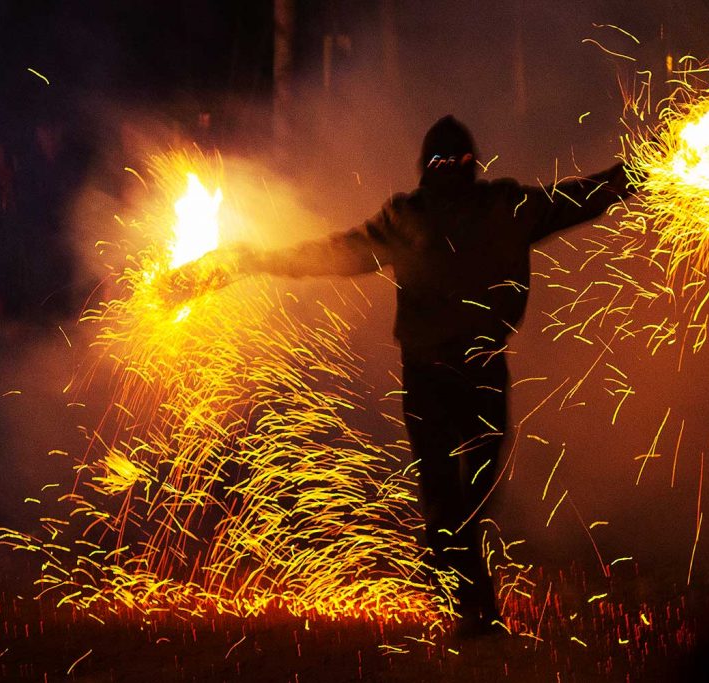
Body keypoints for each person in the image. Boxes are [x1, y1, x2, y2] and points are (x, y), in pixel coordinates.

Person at [177, 115, 633, 636]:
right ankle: (472, 610)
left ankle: (464, 596)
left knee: (462, 501)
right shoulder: (481, 208)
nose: (450, 173)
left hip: (452, 377)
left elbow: (581, 196)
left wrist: (249, 261)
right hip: (450, 378)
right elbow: (585, 195)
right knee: (456, 499)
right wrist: (640, 171)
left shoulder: (456, 210)